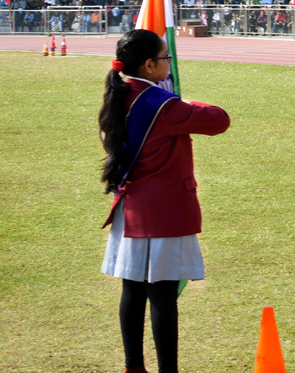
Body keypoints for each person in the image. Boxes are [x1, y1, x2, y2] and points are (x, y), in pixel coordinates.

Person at [98, 29, 230, 373]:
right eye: (165, 58)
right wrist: (185, 102)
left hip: (131, 208)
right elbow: (219, 120)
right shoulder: (164, 106)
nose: (169, 64)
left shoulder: (119, 97)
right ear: (149, 65)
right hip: (164, 211)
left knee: (133, 291)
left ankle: (133, 366)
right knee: (162, 297)